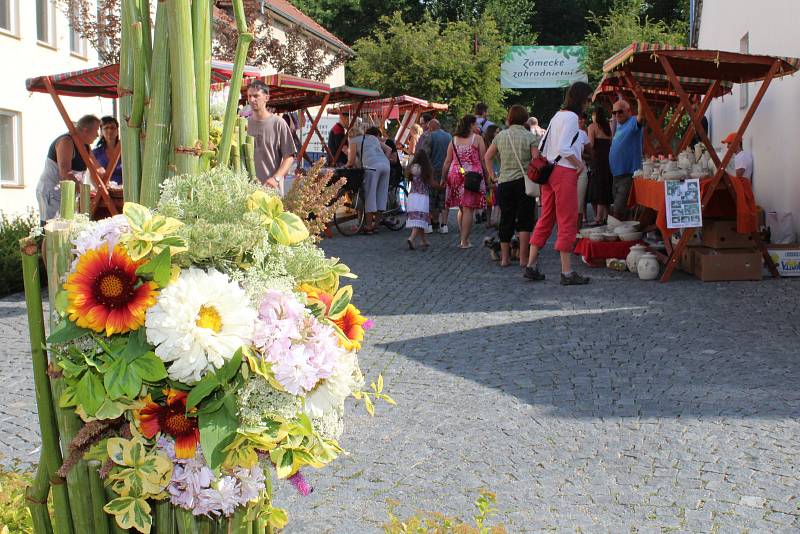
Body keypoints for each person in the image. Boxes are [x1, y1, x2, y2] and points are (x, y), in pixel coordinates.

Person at [524, 81, 593, 286]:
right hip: (564, 173)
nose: (589, 103)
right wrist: (578, 164)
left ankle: (531, 265)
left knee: (546, 218)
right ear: (582, 99)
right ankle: (567, 271)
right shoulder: (572, 118)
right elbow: (564, 147)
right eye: (588, 99)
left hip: (549, 172)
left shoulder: (558, 115)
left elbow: (546, 145)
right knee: (567, 219)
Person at [484, 105, 538, 267]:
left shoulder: (501, 136)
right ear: (525, 118)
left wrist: (493, 175)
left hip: (505, 182)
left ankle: (505, 259)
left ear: (510, 117)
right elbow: (536, 160)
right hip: (524, 182)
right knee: (525, 220)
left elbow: (487, 157)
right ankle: (523, 258)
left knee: (506, 219)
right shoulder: (530, 137)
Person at [36, 114, 100, 224]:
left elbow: (95, 170)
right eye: (96, 130)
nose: (98, 135)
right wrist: (84, 191)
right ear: (85, 130)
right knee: (51, 230)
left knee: (68, 228)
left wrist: (100, 189)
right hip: (52, 193)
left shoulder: (86, 146)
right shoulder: (66, 141)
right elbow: (65, 172)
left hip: (69, 194)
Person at [442, 114, 488, 248]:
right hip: (473, 176)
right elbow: (483, 160)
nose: (477, 126)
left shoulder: (454, 140)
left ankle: (463, 236)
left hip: (455, 174)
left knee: (461, 208)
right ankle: (464, 241)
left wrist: (443, 178)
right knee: (468, 209)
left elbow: (447, 161)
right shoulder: (477, 139)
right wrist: (488, 176)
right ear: (471, 125)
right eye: (476, 124)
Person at [246, 79, 297, 193]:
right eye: (249, 96)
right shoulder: (244, 125)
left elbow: (289, 157)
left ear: (266, 98)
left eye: (256, 96)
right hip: (247, 191)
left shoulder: (278, 123)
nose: (251, 99)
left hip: (271, 190)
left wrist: (276, 178)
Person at [346, 124, 393, 234]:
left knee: (370, 195)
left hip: (372, 167)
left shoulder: (353, 140)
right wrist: (382, 160)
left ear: (350, 135)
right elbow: (389, 149)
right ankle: (376, 225)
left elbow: (351, 161)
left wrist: (346, 166)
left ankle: (368, 226)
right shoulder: (372, 138)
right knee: (381, 195)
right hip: (386, 165)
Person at [608, 97, 644, 219]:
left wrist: (639, 97)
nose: (616, 114)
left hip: (627, 174)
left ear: (629, 111)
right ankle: (626, 232)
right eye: (614, 112)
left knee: (619, 209)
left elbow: (641, 116)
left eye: (620, 111)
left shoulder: (633, 122)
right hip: (616, 175)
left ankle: (625, 234)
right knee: (619, 209)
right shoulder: (619, 125)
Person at [422, 119, 452, 234]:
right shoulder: (449, 136)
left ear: (431, 127)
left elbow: (425, 154)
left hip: (433, 171)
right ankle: (444, 225)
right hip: (447, 171)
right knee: (444, 199)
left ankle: (429, 224)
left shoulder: (430, 136)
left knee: (430, 198)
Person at [405, 150, 437, 250]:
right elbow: (432, 183)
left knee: (419, 219)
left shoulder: (411, 169)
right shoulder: (426, 170)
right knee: (420, 219)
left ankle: (424, 240)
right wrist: (441, 186)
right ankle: (411, 238)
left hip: (412, 196)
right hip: (422, 196)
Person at [586, 107, 613, 225]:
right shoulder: (608, 127)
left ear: (595, 115)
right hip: (608, 159)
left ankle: (598, 218)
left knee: (599, 188)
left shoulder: (592, 127)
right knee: (606, 186)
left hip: (597, 160)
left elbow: (590, 144)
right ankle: (607, 217)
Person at [93, 116, 122, 185]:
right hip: (103, 191)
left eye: (112, 127)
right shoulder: (95, 153)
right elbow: (93, 176)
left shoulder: (126, 151)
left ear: (117, 130)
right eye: (106, 128)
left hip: (125, 191)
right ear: (101, 131)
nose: (110, 130)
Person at [576, 113, 591, 225]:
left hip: (581, 171)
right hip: (565, 172)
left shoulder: (582, 134)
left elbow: (590, 155)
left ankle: (577, 232)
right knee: (564, 205)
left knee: (579, 204)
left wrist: (580, 155)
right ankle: (564, 233)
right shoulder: (560, 133)